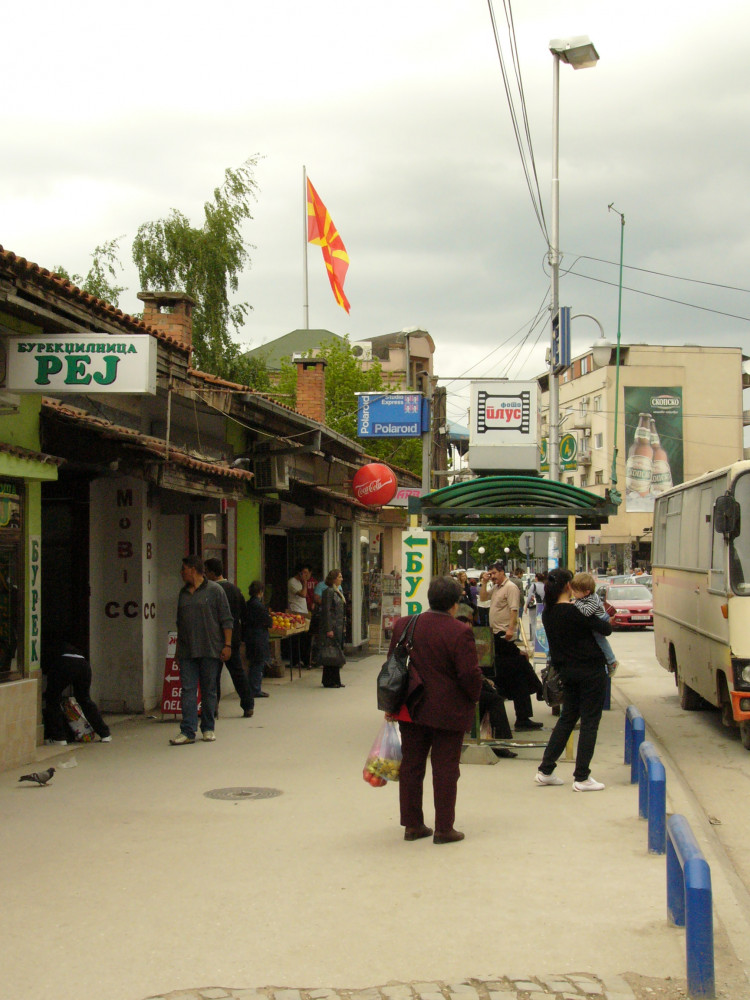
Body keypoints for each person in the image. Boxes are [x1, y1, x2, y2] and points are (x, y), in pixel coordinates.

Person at [389, 576, 483, 844]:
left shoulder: (405, 624)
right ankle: (444, 828)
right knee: (445, 768)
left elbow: (392, 663)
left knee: (411, 765)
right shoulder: (459, 631)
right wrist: (475, 697)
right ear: (455, 604)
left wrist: (391, 703)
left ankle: (412, 825)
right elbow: (469, 674)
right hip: (448, 710)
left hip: (411, 705)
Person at [535, 567, 613, 791]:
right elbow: (605, 629)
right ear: (568, 586)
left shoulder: (548, 613)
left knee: (567, 719)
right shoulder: (576, 611)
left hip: (566, 673)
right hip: (590, 671)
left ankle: (546, 770)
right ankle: (582, 777)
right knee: (590, 722)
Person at [170, 555, 233, 746]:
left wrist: (227, 645)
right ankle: (188, 730)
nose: (181, 573)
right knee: (187, 690)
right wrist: (177, 650)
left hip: (210, 649)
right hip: (187, 650)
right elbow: (180, 623)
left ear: (193, 570)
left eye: (184, 569)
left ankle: (208, 728)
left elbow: (226, 619)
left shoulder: (215, 591)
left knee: (208, 690)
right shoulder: (183, 593)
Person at [487, 560, 544, 731]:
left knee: (520, 670)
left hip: (505, 635)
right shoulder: (496, 588)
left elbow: (514, 609)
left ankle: (536, 692)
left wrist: (511, 629)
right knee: (521, 669)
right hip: (497, 637)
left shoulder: (510, 587)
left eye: (494, 573)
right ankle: (538, 689)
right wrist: (484, 582)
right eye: (490, 573)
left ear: (502, 572)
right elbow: (482, 598)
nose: (492, 576)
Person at [204, 558, 255, 717]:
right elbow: (244, 614)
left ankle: (213, 708)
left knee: (213, 675)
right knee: (238, 673)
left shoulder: (210, 590)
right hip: (233, 639)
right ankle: (248, 705)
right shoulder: (235, 590)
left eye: (206, 571)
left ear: (211, 573)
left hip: (215, 639)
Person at [42, 640, 111, 744]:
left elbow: (48, 671)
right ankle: (105, 734)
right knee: (84, 699)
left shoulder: (46, 648)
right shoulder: (64, 645)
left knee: (52, 699)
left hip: (64, 663)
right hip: (83, 664)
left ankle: (59, 737)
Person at [570, 572, 618, 676]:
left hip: (602, 618)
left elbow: (587, 612)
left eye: (576, 591)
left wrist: (576, 603)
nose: (573, 593)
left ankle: (611, 661)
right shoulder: (585, 597)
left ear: (587, 592)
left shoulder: (592, 600)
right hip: (599, 618)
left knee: (600, 640)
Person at [244, 581, 271, 699]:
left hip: (249, 636)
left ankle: (252, 687)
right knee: (258, 663)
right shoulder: (259, 606)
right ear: (260, 592)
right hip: (259, 636)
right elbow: (268, 621)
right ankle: (255, 689)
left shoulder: (247, 604)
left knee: (253, 663)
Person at [320, 568, 346, 688]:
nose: (341, 579)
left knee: (336, 653)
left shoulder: (337, 591)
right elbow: (326, 611)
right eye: (339, 577)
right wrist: (329, 628)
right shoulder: (329, 592)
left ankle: (336, 679)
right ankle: (329, 680)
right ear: (334, 579)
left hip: (338, 627)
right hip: (332, 627)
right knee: (331, 653)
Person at [287, 563, 312, 669]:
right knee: (296, 638)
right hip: (295, 612)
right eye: (304, 573)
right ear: (299, 573)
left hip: (303, 611)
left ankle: (305, 660)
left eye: (307, 573)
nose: (306, 575)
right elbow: (303, 594)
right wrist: (305, 583)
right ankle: (295, 660)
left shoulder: (300, 582)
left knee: (305, 638)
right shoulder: (292, 582)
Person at [524, 572, 546, 648]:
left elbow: (529, 596)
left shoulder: (533, 586)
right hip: (543, 606)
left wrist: (526, 605)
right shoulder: (545, 586)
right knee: (541, 623)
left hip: (534, 606)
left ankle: (534, 641)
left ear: (536, 578)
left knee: (533, 623)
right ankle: (541, 640)